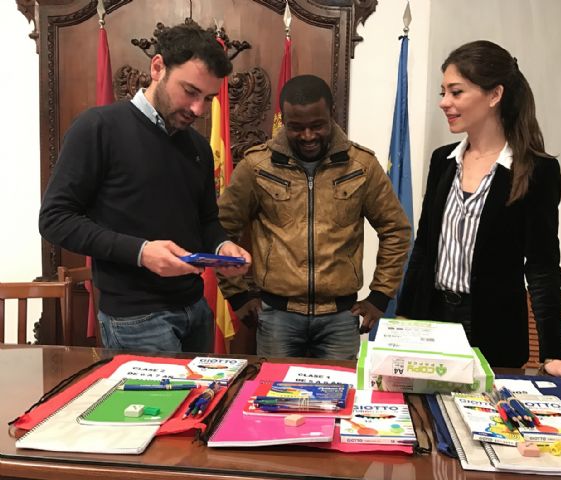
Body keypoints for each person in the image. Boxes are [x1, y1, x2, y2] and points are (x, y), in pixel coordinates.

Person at [39, 23, 251, 353]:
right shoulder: (97, 128)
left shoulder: (198, 146)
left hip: (196, 309)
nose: (198, 110)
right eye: (190, 91)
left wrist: (222, 246)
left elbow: (207, 221)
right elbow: (54, 219)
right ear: (157, 67)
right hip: (134, 318)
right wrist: (141, 252)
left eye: (208, 98)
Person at [396, 40, 561, 383]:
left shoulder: (537, 170)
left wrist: (555, 352)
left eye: (456, 92)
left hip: (493, 330)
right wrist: (405, 318)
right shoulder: (442, 161)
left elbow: (542, 268)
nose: (444, 102)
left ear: (495, 95)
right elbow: (424, 247)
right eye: (443, 92)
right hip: (432, 322)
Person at [217, 74, 411, 360]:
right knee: (274, 388)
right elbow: (221, 230)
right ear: (283, 120)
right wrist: (236, 295)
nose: (307, 136)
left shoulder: (361, 165)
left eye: (317, 125)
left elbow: (396, 230)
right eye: (296, 127)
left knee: (341, 389)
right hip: (277, 317)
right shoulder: (256, 165)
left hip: (340, 318)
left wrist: (381, 295)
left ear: (331, 114)